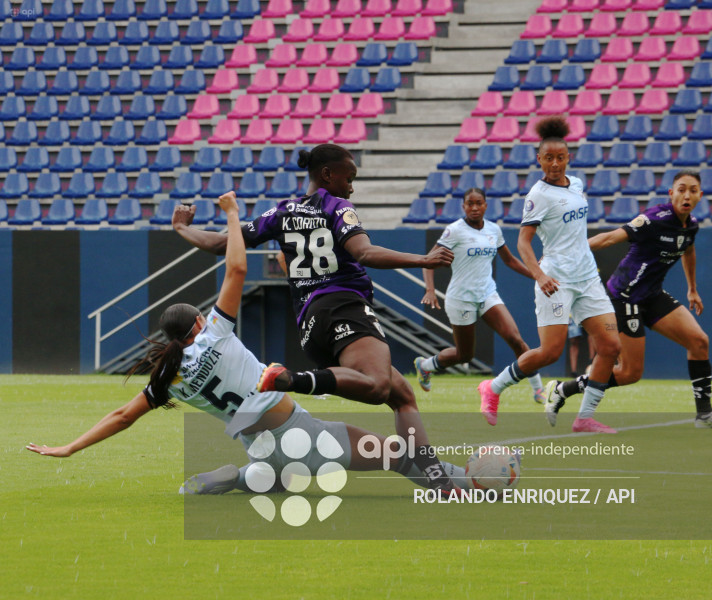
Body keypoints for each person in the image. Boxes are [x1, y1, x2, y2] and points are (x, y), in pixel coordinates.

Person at [26, 192, 471, 495]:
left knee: (278, 476)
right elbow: (236, 269)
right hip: (299, 435)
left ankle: (242, 477)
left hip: (261, 446)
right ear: (200, 322)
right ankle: (471, 481)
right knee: (399, 456)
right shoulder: (216, 335)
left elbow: (123, 416)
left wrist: (70, 447)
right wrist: (234, 215)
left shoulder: (170, 377)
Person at [172, 143, 457, 491]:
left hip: (310, 326)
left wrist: (183, 230)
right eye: (348, 178)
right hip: (345, 307)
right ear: (327, 175)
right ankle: (294, 379)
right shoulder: (338, 207)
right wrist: (423, 260)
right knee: (379, 386)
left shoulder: (281, 212)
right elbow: (364, 252)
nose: (351, 186)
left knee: (401, 394)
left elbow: (221, 243)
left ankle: (436, 477)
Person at [544, 170, 712, 430]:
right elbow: (609, 238)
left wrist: (692, 288)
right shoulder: (653, 219)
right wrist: (565, 252)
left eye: (692, 190)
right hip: (624, 296)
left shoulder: (691, 225)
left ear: (700, 196)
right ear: (671, 193)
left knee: (699, 341)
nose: (686, 194)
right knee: (629, 373)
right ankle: (562, 389)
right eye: (681, 189)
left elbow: (688, 249)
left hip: (652, 294)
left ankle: (704, 415)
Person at [476, 116, 622, 433]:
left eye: (560, 157)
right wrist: (540, 276)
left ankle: (584, 418)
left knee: (610, 346)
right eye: (548, 158)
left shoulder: (578, 185)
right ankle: (493, 387)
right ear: (538, 159)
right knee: (549, 352)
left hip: (588, 278)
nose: (555, 164)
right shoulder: (537, 195)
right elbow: (523, 243)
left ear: (568, 157)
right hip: (556, 280)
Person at [414, 188, 546, 405]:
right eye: (470, 204)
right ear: (463, 206)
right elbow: (429, 260)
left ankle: (538, 390)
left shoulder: (494, 229)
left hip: (487, 294)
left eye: (479, 203)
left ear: (485, 205)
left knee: (515, 339)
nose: (474, 208)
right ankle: (425, 365)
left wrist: (537, 275)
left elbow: (510, 260)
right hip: (461, 298)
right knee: (464, 355)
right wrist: (430, 289)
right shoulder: (454, 230)